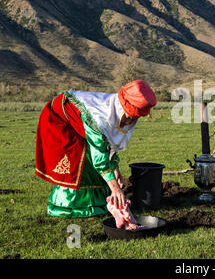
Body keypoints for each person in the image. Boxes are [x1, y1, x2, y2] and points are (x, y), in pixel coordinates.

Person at [35, 79, 157, 218]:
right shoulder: (100, 118)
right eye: (128, 117)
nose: (128, 122)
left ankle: (97, 203)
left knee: (99, 166)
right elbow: (99, 155)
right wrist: (116, 189)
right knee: (80, 161)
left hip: (81, 125)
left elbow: (108, 143)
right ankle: (71, 207)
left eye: (133, 119)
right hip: (59, 120)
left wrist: (115, 167)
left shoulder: (116, 113)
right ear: (121, 108)